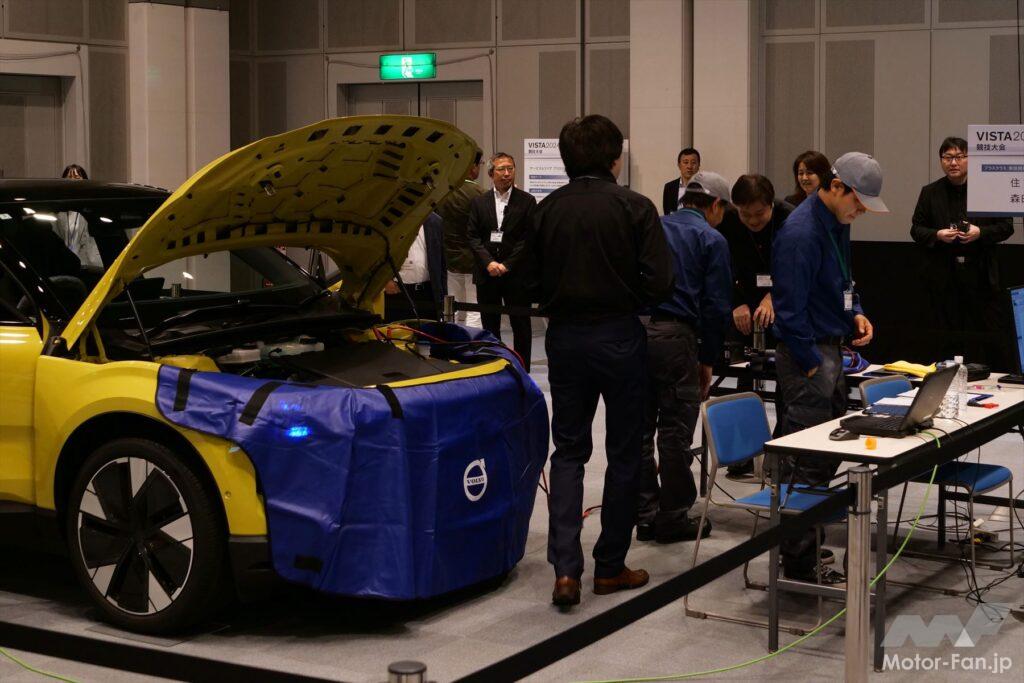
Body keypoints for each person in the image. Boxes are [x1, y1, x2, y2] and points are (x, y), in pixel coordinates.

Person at [529, 114, 673, 606]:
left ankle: (565, 572)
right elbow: (661, 281)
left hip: (564, 337)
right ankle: (609, 566)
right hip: (619, 335)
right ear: (616, 158)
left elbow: (526, 280)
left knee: (568, 451)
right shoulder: (635, 206)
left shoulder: (545, 210)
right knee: (625, 451)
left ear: (565, 159)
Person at [772, 152, 884, 584]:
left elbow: (843, 281)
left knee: (824, 457)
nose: (861, 212)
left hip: (830, 352)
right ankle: (798, 561)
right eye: (858, 202)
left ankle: (805, 545)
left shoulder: (837, 222)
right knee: (806, 461)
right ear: (836, 187)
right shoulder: (800, 232)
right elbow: (789, 309)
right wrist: (809, 364)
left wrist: (856, 312)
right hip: (810, 357)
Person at [637, 171, 732, 544]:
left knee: (639, 431)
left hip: (636, 334)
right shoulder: (711, 239)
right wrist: (708, 359)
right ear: (715, 205)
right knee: (675, 433)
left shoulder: (653, 228)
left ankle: (644, 515)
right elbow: (716, 306)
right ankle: (673, 517)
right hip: (677, 339)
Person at [910, 136, 1015, 367]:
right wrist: (937, 234)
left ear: (970, 159)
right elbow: (916, 229)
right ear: (941, 160)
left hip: (981, 274)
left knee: (987, 332)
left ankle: (990, 376)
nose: (953, 162)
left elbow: (1007, 226)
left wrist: (980, 232)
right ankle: (948, 377)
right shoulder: (930, 192)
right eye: (947, 157)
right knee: (947, 334)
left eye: (959, 157)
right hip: (943, 275)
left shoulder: (989, 189)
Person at [716, 174, 793, 476]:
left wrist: (775, 296)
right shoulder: (728, 221)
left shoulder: (789, 218)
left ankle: (780, 452)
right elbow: (721, 267)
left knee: (786, 377)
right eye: (745, 214)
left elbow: (797, 267)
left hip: (783, 302)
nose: (752, 221)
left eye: (759, 213)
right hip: (743, 301)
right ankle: (742, 451)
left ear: (771, 204)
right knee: (743, 375)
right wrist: (736, 302)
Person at [466, 153, 537, 371]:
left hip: (516, 275)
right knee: (490, 325)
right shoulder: (479, 202)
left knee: (521, 325)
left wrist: (507, 265)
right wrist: (489, 263)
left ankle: (522, 369)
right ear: (491, 173)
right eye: (501, 169)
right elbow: (473, 237)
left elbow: (528, 238)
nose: (507, 174)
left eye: (510, 169)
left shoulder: (527, 201)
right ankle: (494, 367)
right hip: (487, 274)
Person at [436, 149, 485, 329]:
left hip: (450, 257)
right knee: (474, 307)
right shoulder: (480, 193)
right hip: (474, 260)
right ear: (472, 167)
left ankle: (454, 339)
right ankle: (472, 341)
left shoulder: (443, 192)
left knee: (453, 307)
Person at [383, 213, 447, 323]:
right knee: (397, 331)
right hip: (397, 292)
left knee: (427, 331)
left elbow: (441, 263)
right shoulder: (390, 220)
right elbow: (376, 253)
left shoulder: (435, 221)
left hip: (428, 292)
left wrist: (443, 295)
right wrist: (385, 280)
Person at [53, 164, 102, 268]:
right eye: (69, 178)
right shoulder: (58, 210)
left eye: (77, 177)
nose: (73, 181)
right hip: (62, 264)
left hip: (88, 264)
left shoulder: (92, 207)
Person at [662, 147, 701, 215]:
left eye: (693, 162)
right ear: (679, 165)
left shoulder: (705, 187)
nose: (689, 166)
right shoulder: (669, 187)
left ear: (699, 165)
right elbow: (667, 213)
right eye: (686, 162)